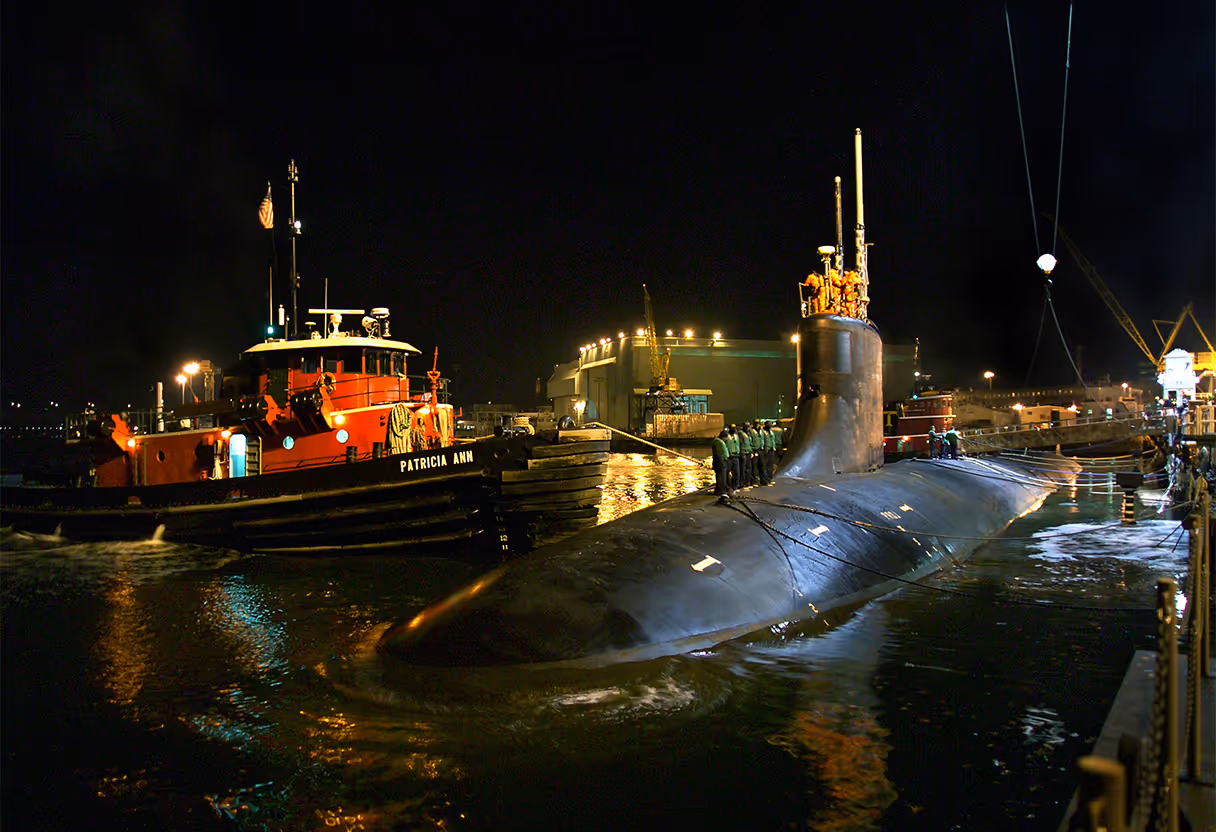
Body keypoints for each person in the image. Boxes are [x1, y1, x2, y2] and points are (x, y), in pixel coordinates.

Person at [711, 429, 730, 497]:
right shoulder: (718, 442)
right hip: (721, 463)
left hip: (721, 462)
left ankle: (719, 490)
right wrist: (723, 461)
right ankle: (721, 490)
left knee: (721, 476)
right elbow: (719, 454)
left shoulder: (719, 441)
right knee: (721, 477)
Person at [737, 422, 753, 487]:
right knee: (743, 469)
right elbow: (740, 444)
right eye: (747, 427)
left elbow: (750, 442)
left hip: (748, 452)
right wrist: (741, 452)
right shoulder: (741, 433)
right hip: (744, 452)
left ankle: (747, 482)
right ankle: (742, 483)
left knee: (748, 468)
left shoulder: (749, 433)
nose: (748, 428)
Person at [725, 425, 740, 491]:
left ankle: (735, 486)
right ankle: (728, 486)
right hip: (729, 457)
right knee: (728, 472)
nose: (734, 429)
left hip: (736, 455)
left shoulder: (736, 436)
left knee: (736, 472)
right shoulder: (727, 436)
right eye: (732, 428)